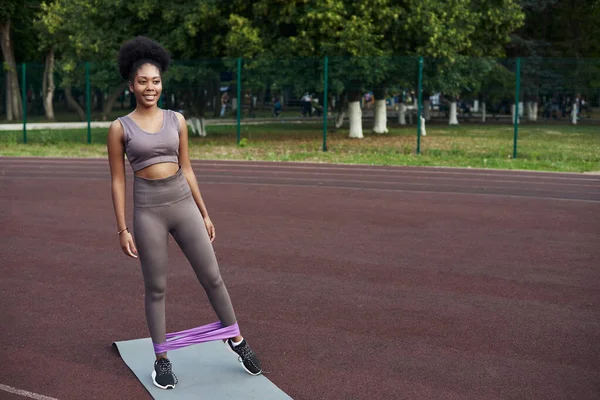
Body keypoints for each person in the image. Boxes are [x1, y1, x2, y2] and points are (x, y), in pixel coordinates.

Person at [107, 36, 262, 390]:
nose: (150, 87)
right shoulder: (119, 128)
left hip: (183, 203)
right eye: (143, 81)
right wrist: (121, 228)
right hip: (148, 210)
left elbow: (187, 168)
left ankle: (235, 338)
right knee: (156, 287)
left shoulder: (177, 120)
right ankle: (161, 360)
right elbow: (117, 181)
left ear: (162, 82)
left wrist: (205, 213)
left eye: (156, 80)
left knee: (212, 276)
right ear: (131, 85)